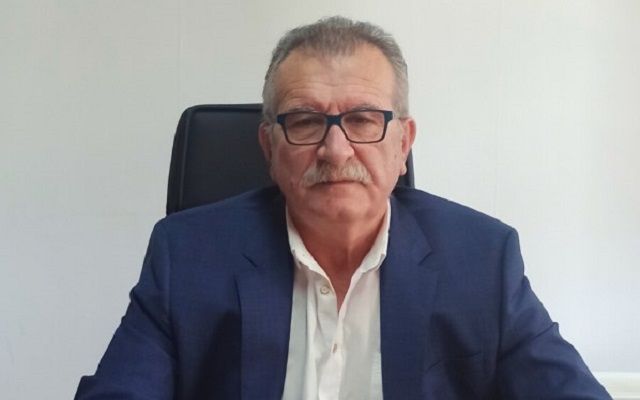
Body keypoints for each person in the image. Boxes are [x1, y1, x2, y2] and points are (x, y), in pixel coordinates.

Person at [75, 16, 611, 399]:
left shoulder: (482, 260)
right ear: (269, 148)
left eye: (362, 120)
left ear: (403, 144)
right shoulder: (187, 256)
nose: (336, 150)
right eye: (306, 121)